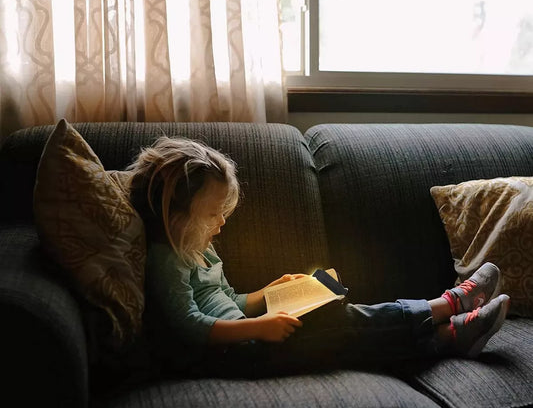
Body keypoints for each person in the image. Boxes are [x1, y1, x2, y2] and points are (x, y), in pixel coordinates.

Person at [127, 136, 510, 377]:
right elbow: (191, 324)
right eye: (212, 214)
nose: (222, 222)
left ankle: (449, 334)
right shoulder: (166, 258)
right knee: (339, 325)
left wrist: (267, 293)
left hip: (245, 338)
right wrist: (259, 327)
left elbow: (228, 302)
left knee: (339, 321)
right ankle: (448, 307)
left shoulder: (198, 247)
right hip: (231, 356)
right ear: (175, 216)